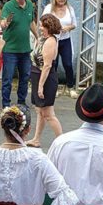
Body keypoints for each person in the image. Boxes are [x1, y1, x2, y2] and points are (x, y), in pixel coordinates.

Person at [0, 0, 38, 108]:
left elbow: (31, 22)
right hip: (10, 49)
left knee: (25, 77)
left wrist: (39, 36)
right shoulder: (8, 6)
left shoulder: (30, 5)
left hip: (25, 49)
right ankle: (6, 104)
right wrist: (5, 23)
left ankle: (21, 102)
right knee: (8, 79)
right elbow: (3, 23)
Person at [27, 14, 63, 147]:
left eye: (43, 25)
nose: (40, 27)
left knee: (48, 113)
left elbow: (47, 66)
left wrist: (41, 86)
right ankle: (36, 139)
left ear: (49, 27)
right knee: (40, 111)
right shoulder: (42, 38)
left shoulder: (51, 41)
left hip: (46, 79)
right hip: (37, 76)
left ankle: (62, 141)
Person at [42, 0, 79, 99]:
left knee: (68, 63)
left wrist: (68, 28)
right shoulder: (49, 8)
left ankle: (70, 87)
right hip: (53, 39)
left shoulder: (70, 8)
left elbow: (74, 24)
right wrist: (51, 30)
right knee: (53, 64)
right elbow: (42, 21)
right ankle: (54, 87)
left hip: (65, 40)